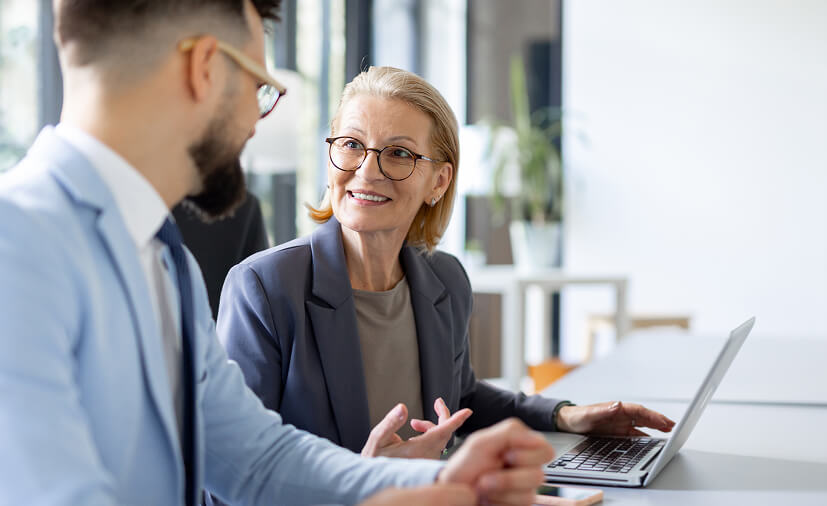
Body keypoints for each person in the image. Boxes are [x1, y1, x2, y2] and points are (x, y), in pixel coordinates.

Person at [0, 1, 553, 505]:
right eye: (259, 87)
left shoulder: (164, 260)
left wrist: (441, 481)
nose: (255, 121)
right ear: (205, 68)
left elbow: (257, 460)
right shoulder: (17, 242)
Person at [217, 66, 677, 462]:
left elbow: (463, 396)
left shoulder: (445, 279)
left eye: (398, 153)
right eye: (352, 144)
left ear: (438, 181)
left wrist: (565, 415)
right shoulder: (264, 287)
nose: (367, 170)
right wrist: (363, 480)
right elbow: (232, 473)